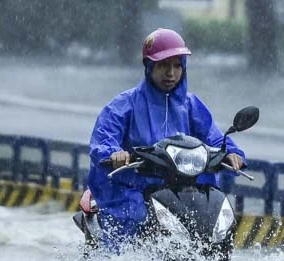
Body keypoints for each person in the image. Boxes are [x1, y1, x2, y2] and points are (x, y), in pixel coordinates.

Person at [87, 29, 246, 247]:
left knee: (216, 216)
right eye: (163, 65)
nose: (171, 73)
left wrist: (232, 154)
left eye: (177, 65)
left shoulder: (191, 106)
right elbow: (104, 138)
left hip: (184, 188)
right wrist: (114, 153)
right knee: (132, 217)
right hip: (134, 187)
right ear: (149, 66)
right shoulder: (124, 105)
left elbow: (215, 138)